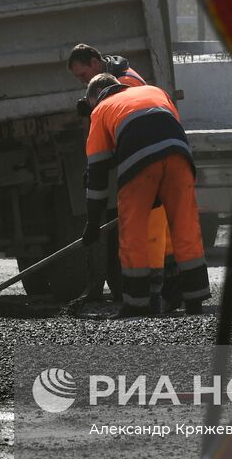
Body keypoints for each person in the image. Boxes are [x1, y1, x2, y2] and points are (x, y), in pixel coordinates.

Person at [81, 73, 209, 318]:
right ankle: (195, 301)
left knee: (133, 233)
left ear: (96, 97)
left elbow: (97, 173)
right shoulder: (155, 91)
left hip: (138, 163)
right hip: (179, 156)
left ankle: (137, 303)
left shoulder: (101, 109)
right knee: (185, 228)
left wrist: (93, 222)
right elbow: (169, 131)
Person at [65, 42, 180, 310]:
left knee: (151, 231)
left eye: (83, 75)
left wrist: (101, 169)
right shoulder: (115, 78)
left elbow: (137, 128)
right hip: (155, 157)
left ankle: (151, 294)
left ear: (95, 61)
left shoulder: (124, 83)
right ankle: (163, 292)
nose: (83, 81)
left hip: (151, 160)